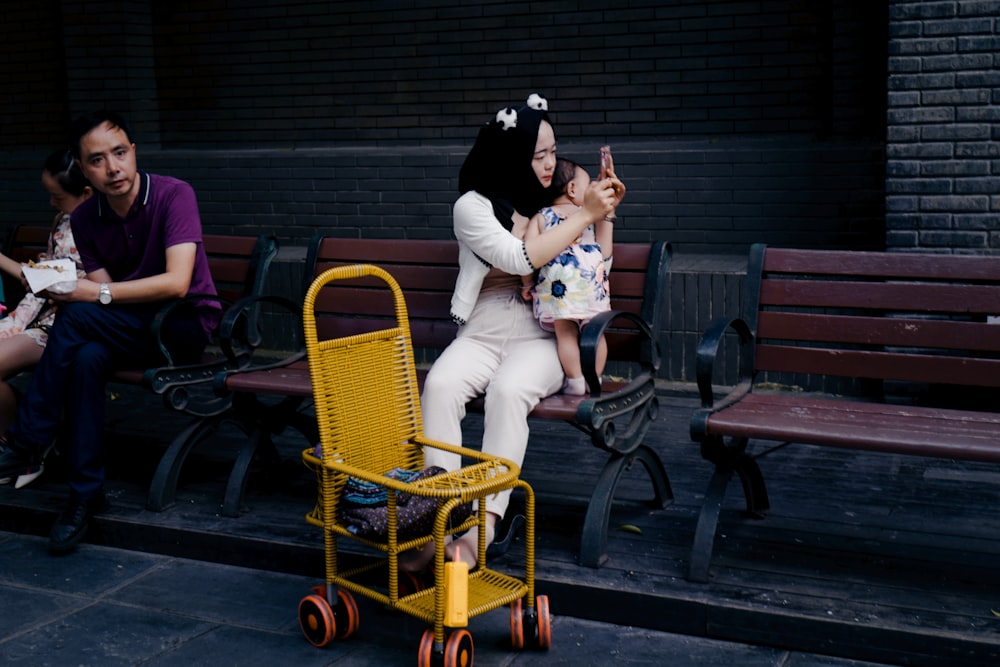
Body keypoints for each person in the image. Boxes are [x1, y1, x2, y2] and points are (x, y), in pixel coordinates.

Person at [416, 94, 625, 569]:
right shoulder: (472, 206)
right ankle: (438, 515)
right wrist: (587, 213)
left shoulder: (556, 202)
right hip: (485, 326)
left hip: (542, 332)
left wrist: (602, 210)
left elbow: (591, 263)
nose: (551, 164)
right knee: (441, 384)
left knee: (509, 392)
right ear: (511, 154)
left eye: (553, 151)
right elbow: (518, 259)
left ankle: (482, 527)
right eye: (539, 154)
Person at [0, 110, 221, 554]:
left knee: (78, 317)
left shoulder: (174, 195)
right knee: (84, 359)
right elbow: (106, 288)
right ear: (83, 170)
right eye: (97, 160)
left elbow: (176, 283)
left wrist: (92, 295)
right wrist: (95, 294)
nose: (113, 168)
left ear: (133, 152)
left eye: (119, 153)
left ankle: (27, 438)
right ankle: (83, 496)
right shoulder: (85, 219)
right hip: (126, 325)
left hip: (180, 326)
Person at [0, 150, 92, 488]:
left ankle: (25, 451)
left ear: (86, 193)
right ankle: (18, 442)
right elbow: (41, 279)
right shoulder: (63, 221)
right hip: (35, 312)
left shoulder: (96, 229)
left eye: (58, 196)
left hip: (63, 323)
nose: (52, 203)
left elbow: (45, 283)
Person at [523, 157, 614, 395]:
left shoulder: (541, 217)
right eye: (587, 186)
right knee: (597, 333)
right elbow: (603, 249)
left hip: (558, 289)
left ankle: (575, 381)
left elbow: (527, 255)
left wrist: (526, 284)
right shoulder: (588, 215)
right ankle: (596, 379)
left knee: (566, 335)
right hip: (591, 286)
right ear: (572, 189)